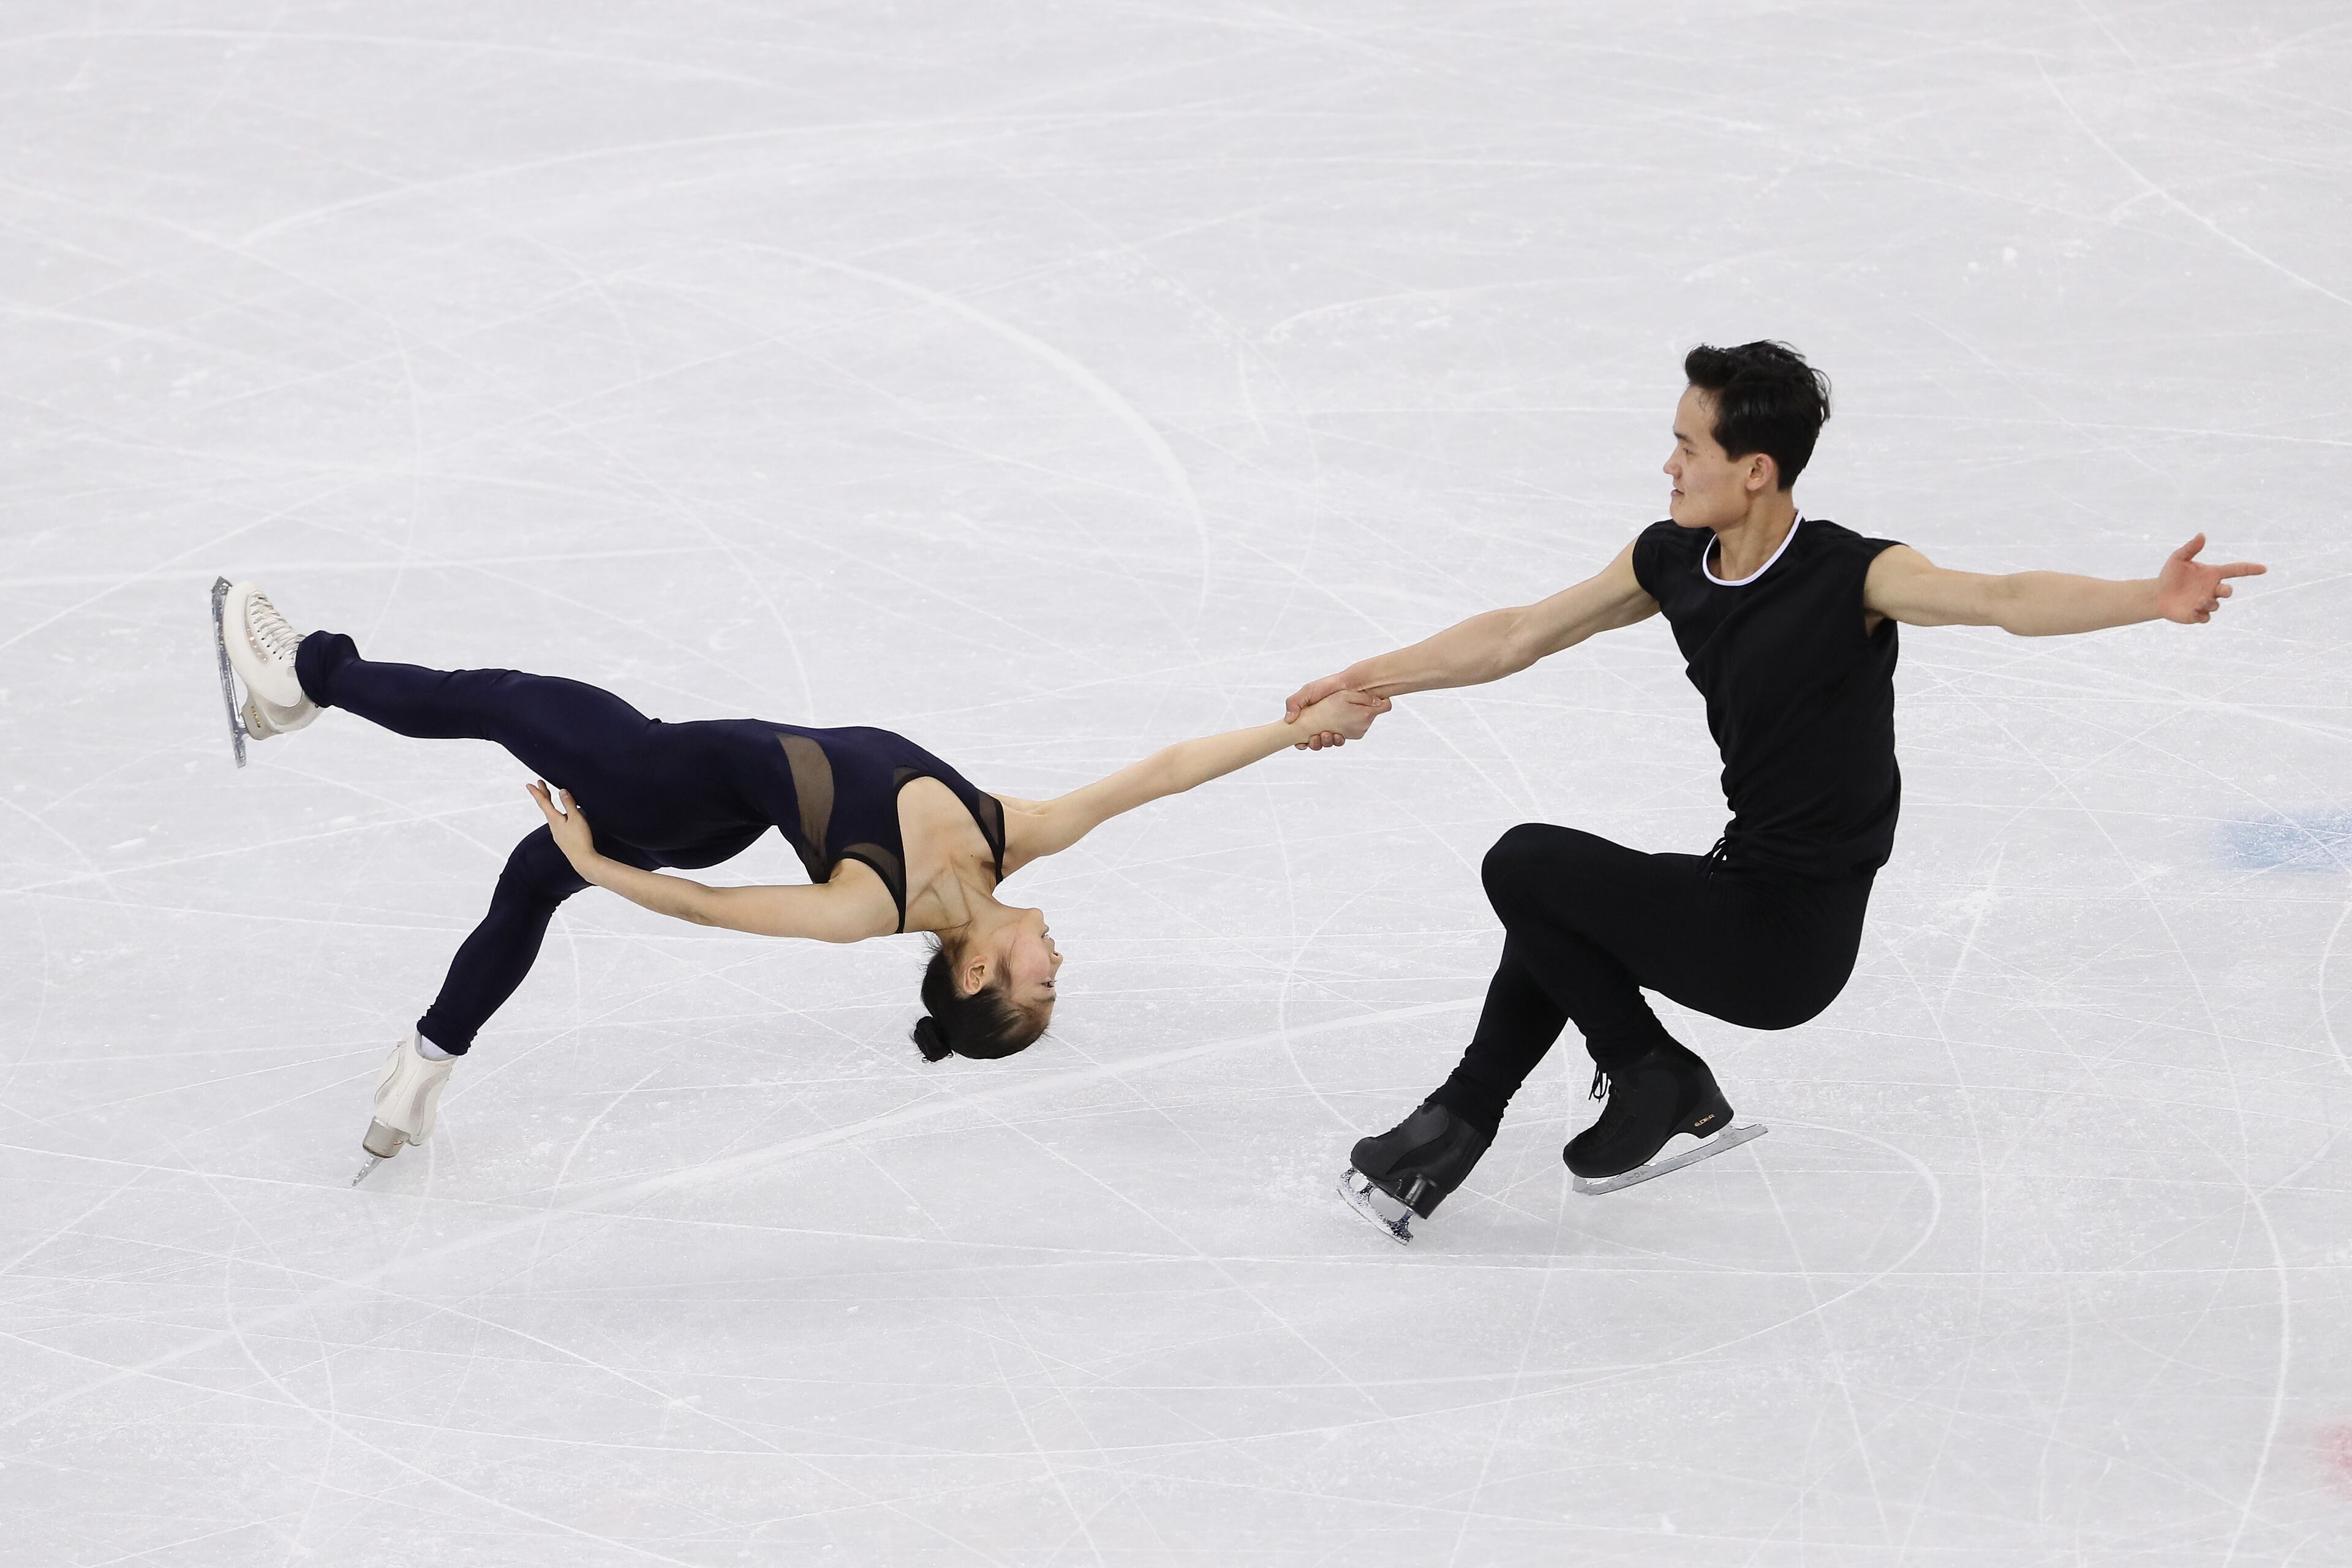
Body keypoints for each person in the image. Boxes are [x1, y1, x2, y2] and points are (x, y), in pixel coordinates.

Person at [1282, 340, 2266, 1235]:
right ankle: (1451, 1133)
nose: (1668, 466)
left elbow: (2002, 600)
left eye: (1687, 447)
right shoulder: (1670, 560)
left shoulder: (1856, 576)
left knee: (1529, 864)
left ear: (1755, 471)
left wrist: (2151, 598)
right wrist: (1365, 682)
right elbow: (1517, 633)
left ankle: (1650, 1076)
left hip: (1789, 939)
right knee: (1557, 911)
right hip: (1736, 885)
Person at [211, 584, 1385, 1169]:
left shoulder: (864, 905)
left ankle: (301, 674)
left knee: (499, 705)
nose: (1058, 963)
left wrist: (594, 859)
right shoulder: (1008, 835)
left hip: (656, 791)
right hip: (694, 793)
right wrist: (1299, 728)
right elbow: (1168, 772)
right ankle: (422, 1066)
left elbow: (710, 907)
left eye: (1039, 984)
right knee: (525, 882)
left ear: (976, 968)